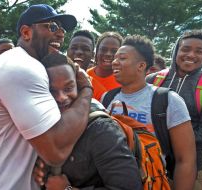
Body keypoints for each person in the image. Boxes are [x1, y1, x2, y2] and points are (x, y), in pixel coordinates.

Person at [0, 4, 93, 190]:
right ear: (26, 32)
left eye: (62, 29)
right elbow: (55, 151)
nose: (60, 34)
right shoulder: (21, 68)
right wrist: (86, 90)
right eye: (52, 27)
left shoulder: (21, 64)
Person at [34, 52, 142, 190]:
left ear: (78, 86)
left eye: (68, 88)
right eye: (51, 90)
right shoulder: (40, 123)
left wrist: (67, 189)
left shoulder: (101, 129)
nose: (61, 97)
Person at [103, 35, 197, 190]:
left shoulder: (168, 100)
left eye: (122, 58)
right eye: (115, 58)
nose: (114, 62)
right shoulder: (107, 98)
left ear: (141, 66)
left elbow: (185, 160)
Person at [146, 30, 202, 190]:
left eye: (199, 51)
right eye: (185, 49)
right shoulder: (153, 79)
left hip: (191, 168)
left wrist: (168, 141)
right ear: (176, 51)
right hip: (150, 164)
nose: (191, 54)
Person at [67, 30, 106, 101]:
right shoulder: (50, 78)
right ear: (67, 51)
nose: (79, 52)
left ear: (93, 56)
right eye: (74, 48)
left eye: (85, 49)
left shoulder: (100, 92)